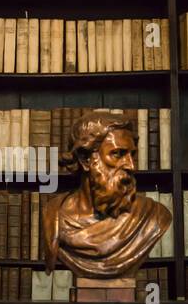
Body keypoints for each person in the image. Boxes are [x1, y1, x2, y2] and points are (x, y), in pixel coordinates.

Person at [42, 111, 172, 278]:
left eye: (132, 155)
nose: (131, 166)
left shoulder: (154, 216)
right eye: (118, 154)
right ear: (85, 160)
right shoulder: (53, 216)